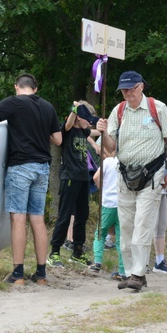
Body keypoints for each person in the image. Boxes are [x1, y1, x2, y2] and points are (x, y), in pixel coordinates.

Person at [0, 73, 62, 286]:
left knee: (18, 219)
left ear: (17, 87)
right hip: (42, 168)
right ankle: (41, 274)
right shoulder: (47, 107)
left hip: (20, 167)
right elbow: (58, 139)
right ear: (36, 88)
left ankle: (18, 274)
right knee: (37, 219)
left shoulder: (13, 102)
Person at [97, 71, 167, 292]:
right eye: (123, 89)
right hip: (125, 176)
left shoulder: (158, 108)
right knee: (127, 224)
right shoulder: (118, 111)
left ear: (141, 86)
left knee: (143, 223)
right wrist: (103, 133)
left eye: (131, 88)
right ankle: (132, 272)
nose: (127, 92)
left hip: (152, 175)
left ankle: (139, 273)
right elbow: (111, 148)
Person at [47, 101, 100, 268]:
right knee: (64, 215)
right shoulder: (68, 130)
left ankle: (77, 252)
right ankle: (54, 252)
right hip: (70, 177)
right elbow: (69, 122)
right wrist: (75, 109)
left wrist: (108, 126)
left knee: (82, 216)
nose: (89, 122)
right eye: (87, 118)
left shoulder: (83, 131)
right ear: (78, 117)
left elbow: (96, 130)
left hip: (83, 177)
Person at [88, 150, 126, 281]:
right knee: (122, 238)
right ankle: (122, 269)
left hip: (108, 203)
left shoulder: (108, 161)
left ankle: (97, 262)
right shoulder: (127, 162)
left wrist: (101, 188)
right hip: (123, 204)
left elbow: (95, 177)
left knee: (100, 233)